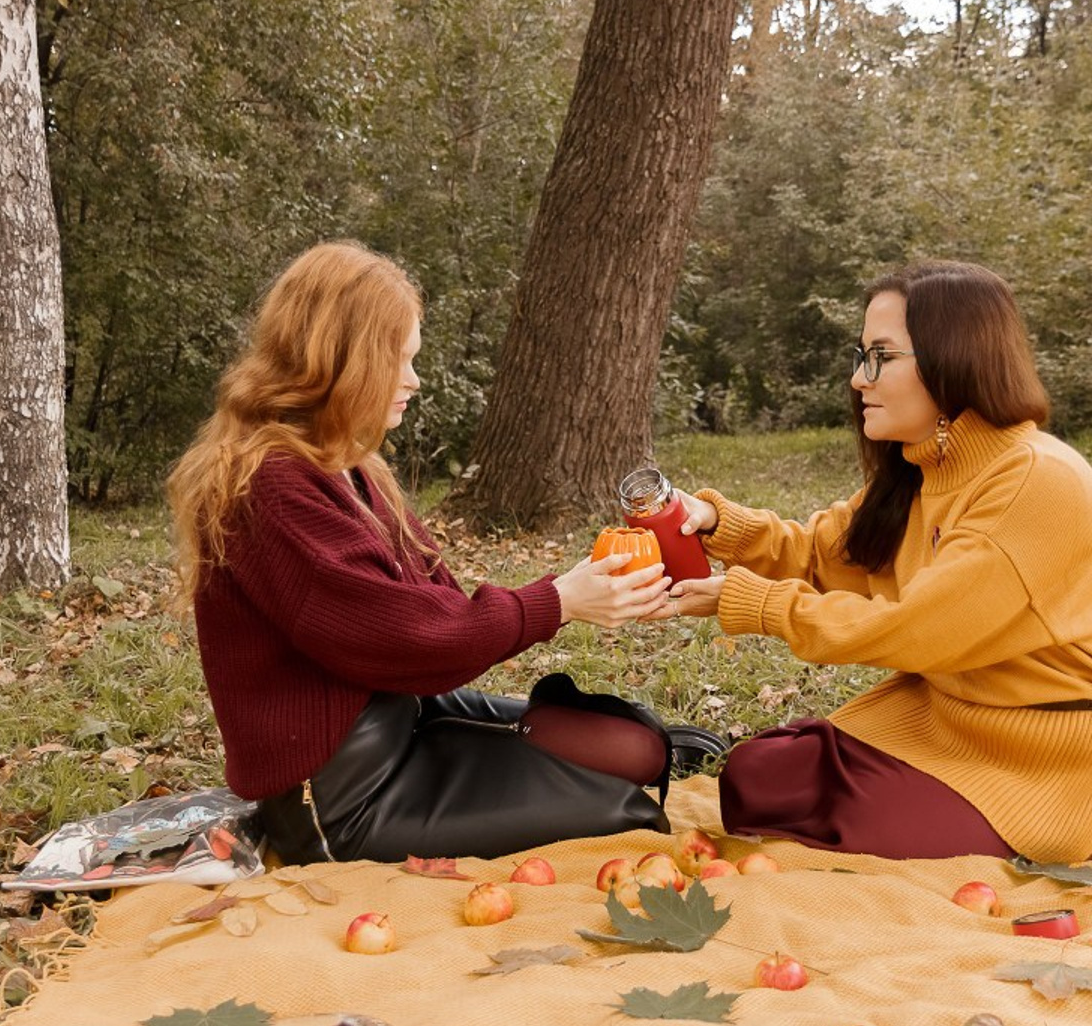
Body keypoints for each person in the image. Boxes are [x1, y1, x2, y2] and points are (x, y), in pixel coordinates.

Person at [167, 240, 709, 864]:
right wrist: (559, 602)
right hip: (342, 796)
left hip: (407, 711)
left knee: (641, 749)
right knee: (630, 817)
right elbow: (410, 638)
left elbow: (440, 604)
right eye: (398, 361)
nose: (413, 380)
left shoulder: (345, 464)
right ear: (342, 361)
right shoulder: (271, 487)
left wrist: (577, 590)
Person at [662, 259, 1092, 864]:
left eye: (881, 357)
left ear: (953, 359)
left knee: (846, 822)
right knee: (755, 778)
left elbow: (914, 628)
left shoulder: (1035, 480)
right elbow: (824, 553)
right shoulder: (924, 465)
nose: (859, 379)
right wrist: (718, 524)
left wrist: (751, 603)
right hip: (955, 719)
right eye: (861, 355)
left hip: (1063, 757)